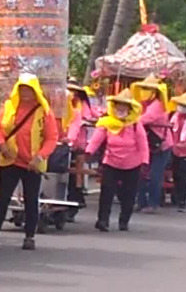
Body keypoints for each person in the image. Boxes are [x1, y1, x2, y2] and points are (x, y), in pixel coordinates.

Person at [0, 73, 58, 251]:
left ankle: (30, 236)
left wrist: (39, 157)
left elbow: (51, 138)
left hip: (32, 164)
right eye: (22, 89)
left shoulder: (44, 112)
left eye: (28, 89)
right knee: (2, 198)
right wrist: (1, 145)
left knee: (31, 200)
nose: (25, 93)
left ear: (35, 91)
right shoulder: (9, 106)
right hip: (10, 161)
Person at [85, 89, 149, 231]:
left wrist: (145, 162)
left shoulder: (135, 125)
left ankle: (124, 220)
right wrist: (88, 151)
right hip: (111, 162)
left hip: (132, 164)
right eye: (118, 105)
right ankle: (103, 220)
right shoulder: (107, 122)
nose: (120, 108)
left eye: (124, 106)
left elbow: (143, 144)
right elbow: (96, 139)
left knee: (128, 195)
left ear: (129, 109)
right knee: (106, 193)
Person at [132, 75, 172, 213]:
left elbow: (145, 118)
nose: (145, 91)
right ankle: (141, 202)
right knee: (141, 173)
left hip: (161, 144)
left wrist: (129, 120)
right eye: (143, 88)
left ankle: (153, 203)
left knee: (155, 175)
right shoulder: (142, 104)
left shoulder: (157, 105)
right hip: (147, 143)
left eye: (148, 89)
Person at [65, 78, 96, 213]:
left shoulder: (81, 105)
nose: (70, 93)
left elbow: (86, 117)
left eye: (73, 91)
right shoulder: (60, 105)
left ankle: (77, 196)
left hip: (78, 142)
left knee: (77, 170)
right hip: (61, 142)